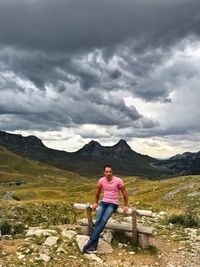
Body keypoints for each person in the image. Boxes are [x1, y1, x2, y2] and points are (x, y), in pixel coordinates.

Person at [82, 164, 129, 253]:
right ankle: (94, 246)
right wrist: (96, 202)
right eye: (107, 171)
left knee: (104, 221)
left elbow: (124, 192)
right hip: (104, 202)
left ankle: (90, 241)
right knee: (98, 221)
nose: (108, 173)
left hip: (113, 204)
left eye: (110, 171)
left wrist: (126, 205)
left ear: (112, 172)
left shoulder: (118, 180)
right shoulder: (101, 180)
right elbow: (97, 192)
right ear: (104, 172)